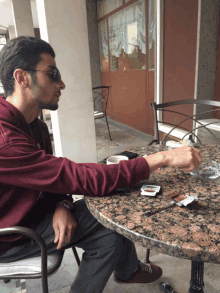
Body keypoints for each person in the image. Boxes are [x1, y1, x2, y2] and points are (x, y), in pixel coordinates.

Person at [0, 36, 201, 293]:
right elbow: (78, 177)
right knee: (109, 224)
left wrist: (61, 205)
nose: (62, 83)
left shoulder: (34, 124)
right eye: (53, 74)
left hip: (34, 213)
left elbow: (52, 176)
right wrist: (162, 157)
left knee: (110, 215)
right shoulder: (5, 140)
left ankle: (128, 271)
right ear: (22, 78)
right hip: (12, 236)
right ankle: (128, 271)